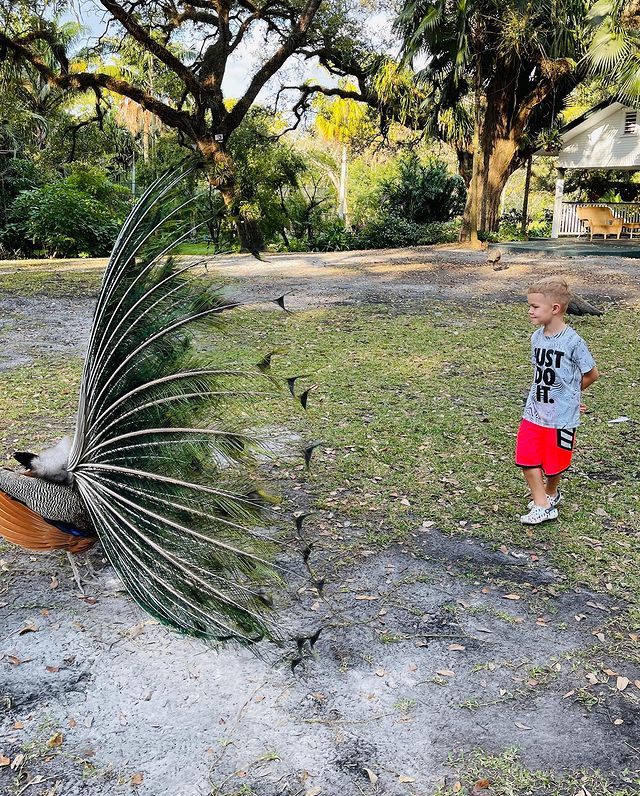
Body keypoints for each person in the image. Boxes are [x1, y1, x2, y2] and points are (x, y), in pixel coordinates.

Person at [516, 276, 599, 525]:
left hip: (561, 416)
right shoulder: (536, 338)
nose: (530, 311)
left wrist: (572, 397)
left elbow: (592, 374)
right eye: (529, 305)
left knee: (555, 463)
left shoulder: (574, 342)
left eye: (535, 306)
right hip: (534, 411)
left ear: (555, 309)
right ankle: (542, 504)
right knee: (526, 456)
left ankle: (550, 494)